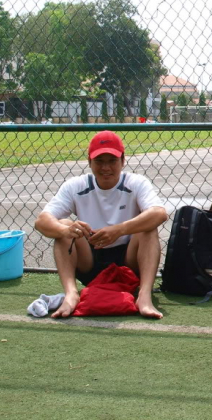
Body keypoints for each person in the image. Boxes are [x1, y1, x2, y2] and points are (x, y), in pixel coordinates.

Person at [34, 131, 169, 319]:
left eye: (112, 161)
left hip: (128, 263)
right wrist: (67, 229)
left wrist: (119, 230)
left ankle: (144, 295)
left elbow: (159, 213)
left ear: (123, 161)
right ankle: (71, 293)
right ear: (89, 162)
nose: (106, 167)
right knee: (63, 225)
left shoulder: (136, 182)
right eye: (99, 161)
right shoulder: (76, 185)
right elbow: (42, 221)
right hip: (90, 260)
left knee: (148, 227)